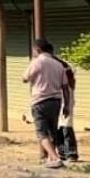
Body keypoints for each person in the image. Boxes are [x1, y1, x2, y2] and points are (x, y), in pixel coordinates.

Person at [22, 38, 67, 168]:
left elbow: (25, 78)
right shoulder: (59, 64)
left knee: (41, 133)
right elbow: (65, 87)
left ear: (38, 50)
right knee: (52, 131)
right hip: (56, 101)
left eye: (33, 51)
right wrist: (67, 105)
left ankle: (55, 157)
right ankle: (50, 159)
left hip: (40, 101)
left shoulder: (36, 62)